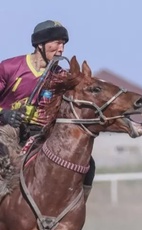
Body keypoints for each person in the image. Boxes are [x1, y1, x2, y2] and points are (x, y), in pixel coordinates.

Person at [0, 20, 95, 200]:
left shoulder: (62, 76)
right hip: (7, 130)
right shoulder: (9, 67)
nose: (61, 49)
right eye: (57, 43)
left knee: (88, 164)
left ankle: (75, 209)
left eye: (64, 44)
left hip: (43, 134)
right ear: (40, 44)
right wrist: (4, 113)